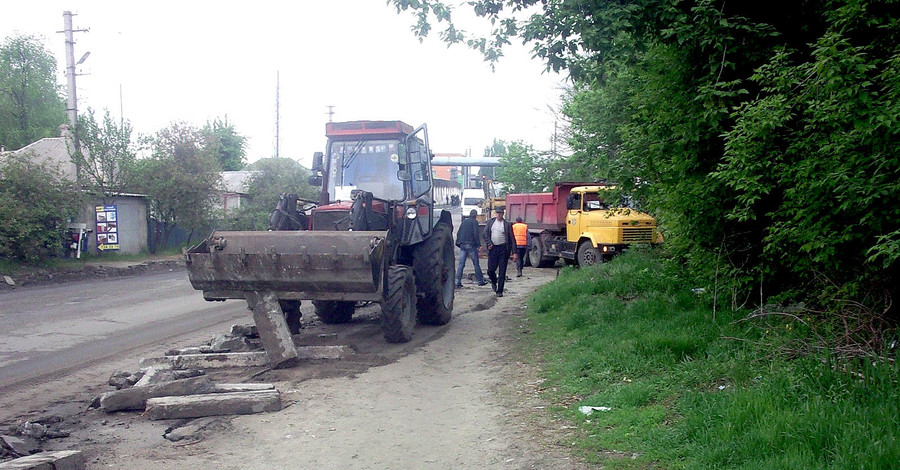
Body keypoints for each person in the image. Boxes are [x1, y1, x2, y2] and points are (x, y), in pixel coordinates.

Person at [482, 207, 514, 297]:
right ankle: (493, 281)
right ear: (495, 214)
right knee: (490, 270)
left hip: (503, 249)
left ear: (503, 214)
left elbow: (512, 238)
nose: (499, 215)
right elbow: (484, 234)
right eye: (497, 213)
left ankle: (500, 291)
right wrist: (489, 243)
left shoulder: (507, 224)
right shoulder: (491, 222)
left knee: (502, 271)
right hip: (493, 249)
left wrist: (514, 252)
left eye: (501, 213)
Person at [455, 209, 487, 288]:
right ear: (475, 216)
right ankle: (480, 281)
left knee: (461, 264)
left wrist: (458, 243)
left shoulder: (464, 222)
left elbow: (459, 232)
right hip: (471, 245)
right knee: (476, 263)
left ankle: (457, 281)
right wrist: (479, 245)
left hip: (463, 245)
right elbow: (475, 234)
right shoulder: (474, 222)